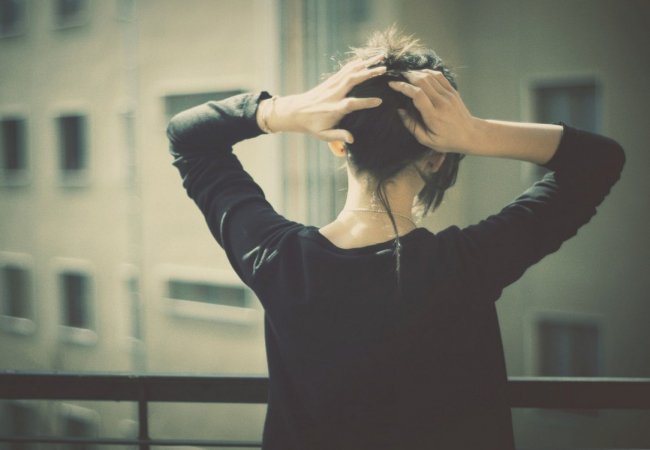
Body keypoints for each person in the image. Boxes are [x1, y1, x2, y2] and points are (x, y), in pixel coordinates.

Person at [167, 29, 624, 450]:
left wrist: (285, 111)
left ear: (337, 142)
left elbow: (188, 138)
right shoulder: (468, 267)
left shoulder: (276, 260)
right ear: (437, 158)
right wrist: (472, 133)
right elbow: (598, 161)